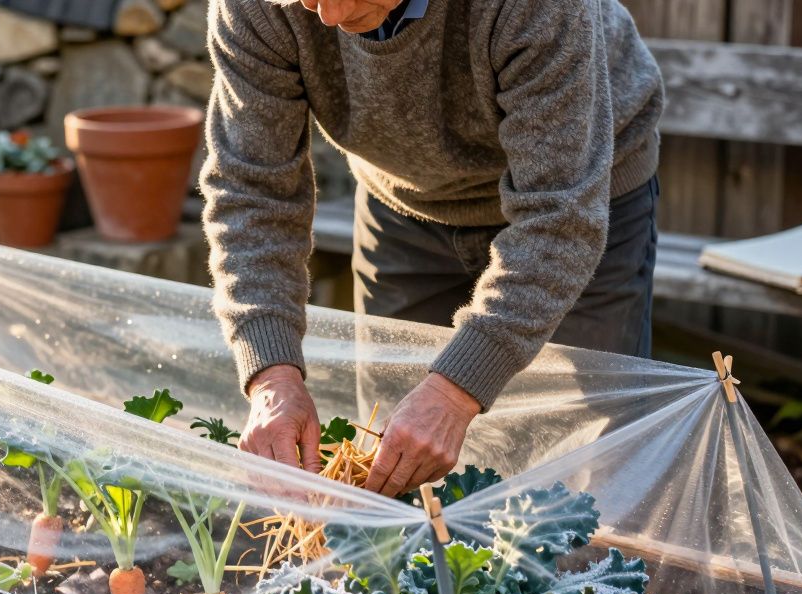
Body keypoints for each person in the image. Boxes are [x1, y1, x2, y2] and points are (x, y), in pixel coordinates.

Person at [200, 0, 664, 497]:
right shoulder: (253, 6)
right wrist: (271, 374)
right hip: (403, 206)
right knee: (392, 465)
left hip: (581, 200)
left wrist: (455, 391)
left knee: (592, 477)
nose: (327, 20)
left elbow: (560, 217)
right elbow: (252, 192)